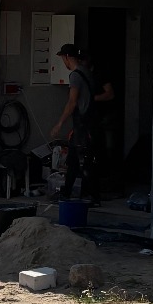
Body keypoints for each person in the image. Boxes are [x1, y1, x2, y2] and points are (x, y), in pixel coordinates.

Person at [53, 41, 96, 199]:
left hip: (82, 125)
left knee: (79, 162)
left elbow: (72, 102)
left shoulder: (75, 75)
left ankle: (86, 195)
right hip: (88, 123)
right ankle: (72, 193)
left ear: (67, 57)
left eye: (62, 58)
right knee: (78, 161)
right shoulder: (87, 72)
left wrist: (59, 123)